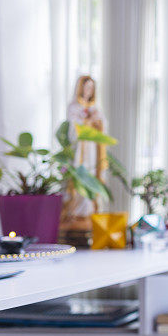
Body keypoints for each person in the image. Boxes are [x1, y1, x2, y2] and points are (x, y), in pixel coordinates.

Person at [60, 75, 108, 226]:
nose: (89, 91)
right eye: (87, 87)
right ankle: (76, 214)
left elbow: (102, 127)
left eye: (92, 88)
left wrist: (96, 121)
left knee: (91, 177)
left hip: (92, 150)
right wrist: (88, 121)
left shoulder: (95, 107)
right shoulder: (74, 107)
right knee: (79, 178)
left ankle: (88, 214)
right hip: (80, 151)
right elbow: (73, 129)